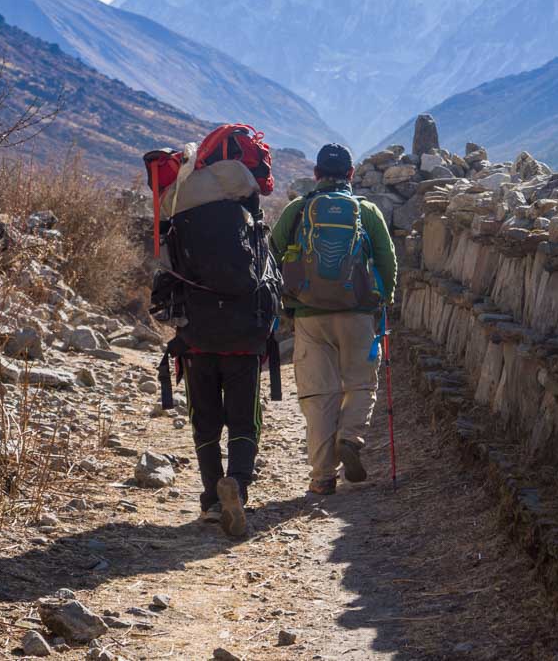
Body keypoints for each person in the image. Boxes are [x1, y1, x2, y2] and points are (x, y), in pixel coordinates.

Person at [146, 126, 282, 537]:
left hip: (197, 339)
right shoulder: (251, 221)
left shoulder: (180, 219)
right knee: (245, 421)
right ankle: (237, 486)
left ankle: (210, 498)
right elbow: (273, 280)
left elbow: (162, 290)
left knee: (204, 422)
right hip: (245, 338)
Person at [271, 143, 397, 495]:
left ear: (315, 175)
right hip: (357, 313)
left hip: (310, 316)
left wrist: (284, 300)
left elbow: (270, 254)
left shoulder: (298, 210)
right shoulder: (366, 211)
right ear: (351, 176)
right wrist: (385, 300)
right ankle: (351, 438)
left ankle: (322, 476)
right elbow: (388, 260)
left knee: (318, 395)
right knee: (360, 383)